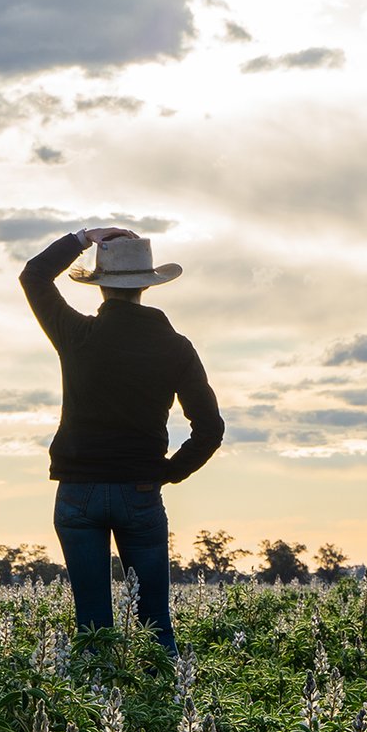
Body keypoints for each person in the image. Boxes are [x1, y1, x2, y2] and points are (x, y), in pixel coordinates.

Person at [19, 225, 225, 654]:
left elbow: (35, 276)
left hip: (78, 492)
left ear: (100, 286)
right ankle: (165, 714)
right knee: (155, 627)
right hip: (140, 490)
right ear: (146, 286)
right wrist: (167, 473)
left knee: (93, 629)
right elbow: (210, 428)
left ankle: (93, 716)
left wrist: (82, 237)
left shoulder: (77, 335)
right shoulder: (175, 347)